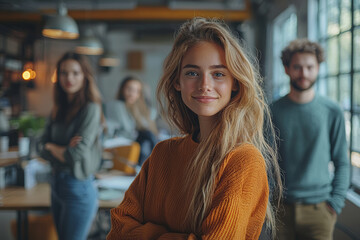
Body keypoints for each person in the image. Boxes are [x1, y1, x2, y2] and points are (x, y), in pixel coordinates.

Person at [106, 17, 282, 240]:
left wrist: (150, 235)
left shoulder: (242, 160)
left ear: (235, 82)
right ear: (177, 81)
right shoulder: (162, 153)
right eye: (192, 73)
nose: (204, 85)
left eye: (218, 74)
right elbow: (118, 230)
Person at [270, 39, 351, 240]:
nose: (304, 73)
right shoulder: (271, 111)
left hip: (320, 211)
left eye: (310, 67)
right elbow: (264, 162)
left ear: (318, 69)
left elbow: (342, 162)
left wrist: (335, 203)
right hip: (279, 210)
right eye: (297, 67)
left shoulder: (332, 111)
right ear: (287, 69)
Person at [39, 52, 104, 240]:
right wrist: (54, 148)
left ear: (84, 76)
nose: (69, 78)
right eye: (64, 73)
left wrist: (51, 147)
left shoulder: (90, 108)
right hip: (56, 184)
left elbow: (75, 154)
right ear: (58, 76)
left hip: (78, 187)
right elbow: (39, 146)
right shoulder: (58, 108)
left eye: (75, 73)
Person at [104, 76, 158, 165]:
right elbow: (111, 129)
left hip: (135, 150)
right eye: (129, 89)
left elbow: (150, 120)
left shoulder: (139, 109)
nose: (132, 94)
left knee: (148, 135)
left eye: (137, 91)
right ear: (122, 89)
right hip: (121, 146)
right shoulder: (116, 106)